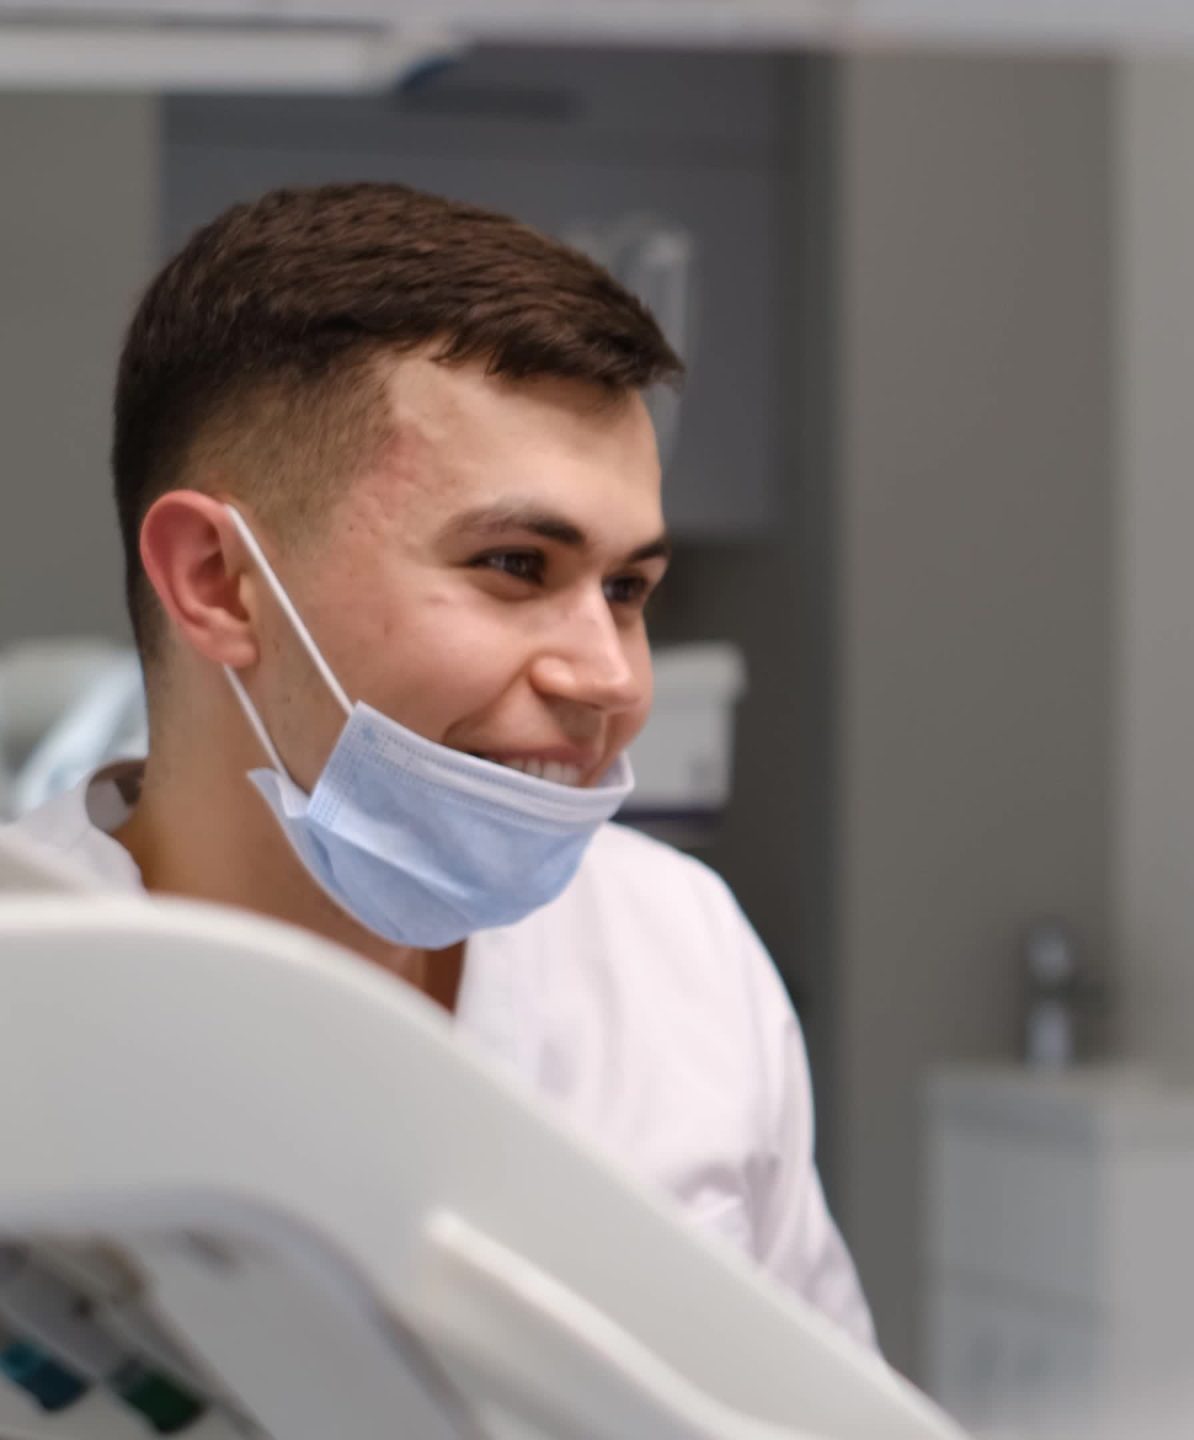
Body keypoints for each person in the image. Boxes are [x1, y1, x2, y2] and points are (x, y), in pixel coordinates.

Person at [0, 182, 875, 1345]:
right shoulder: (33, 1010)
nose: (611, 679)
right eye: (516, 564)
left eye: (626, 590)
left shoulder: (681, 954)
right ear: (217, 580)